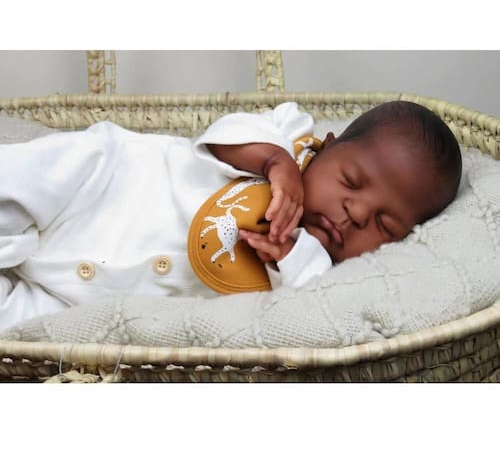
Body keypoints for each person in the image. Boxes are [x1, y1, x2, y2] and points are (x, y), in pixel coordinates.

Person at [0, 101, 462, 331]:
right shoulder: (289, 136)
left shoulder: (322, 271)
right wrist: (276, 161)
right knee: (39, 175)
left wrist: (295, 258)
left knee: (22, 328)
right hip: (101, 192)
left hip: (77, 300)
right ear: (327, 147)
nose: (356, 212)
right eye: (351, 180)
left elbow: (312, 312)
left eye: (384, 225)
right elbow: (225, 134)